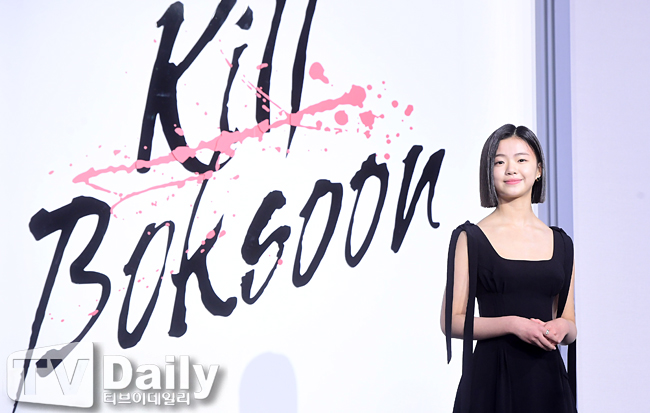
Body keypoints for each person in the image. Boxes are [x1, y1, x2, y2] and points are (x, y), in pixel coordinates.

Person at [440, 124, 577, 413]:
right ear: (489, 172)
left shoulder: (562, 243)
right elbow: (451, 321)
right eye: (499, 162)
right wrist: (513, 325)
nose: (511, 169)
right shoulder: (470, 238)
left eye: (521, 160)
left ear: (538, 170)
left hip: (547, 381)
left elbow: (569, 323)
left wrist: (561, 327)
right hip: (491, 379)